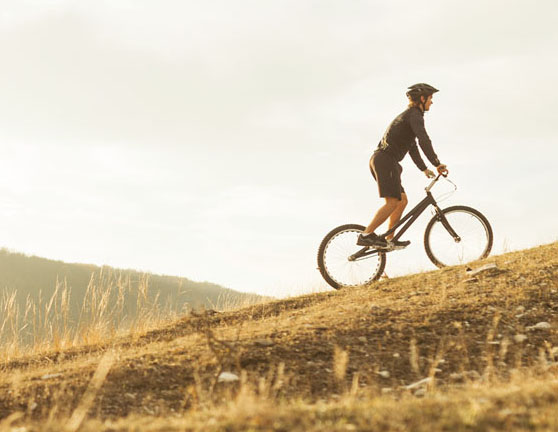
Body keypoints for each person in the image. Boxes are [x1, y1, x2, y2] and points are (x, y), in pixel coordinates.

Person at [357, 83, 448, 249]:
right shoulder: (414, 115)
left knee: (402, 201)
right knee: (392, 202)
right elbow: (424, 140)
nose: (431, 102)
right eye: (430, 98)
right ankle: (366, 235)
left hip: (385, 161)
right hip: (385, 160)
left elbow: (412, 146)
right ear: (422, 98)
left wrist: (424, 168)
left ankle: (388, 240)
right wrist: (436, 163)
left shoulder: (410, 117)